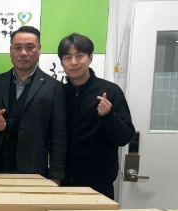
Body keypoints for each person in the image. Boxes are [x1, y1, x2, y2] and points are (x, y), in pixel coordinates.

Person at [0, 26, 66, 183]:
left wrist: (56, 176)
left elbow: (59, 137)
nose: (23, 53)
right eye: (17, 48)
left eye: (30, 47)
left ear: (39, 49)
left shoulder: (55, 88)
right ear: (10, 50)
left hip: (33, 172)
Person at [58, 33, 135, 199]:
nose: (74, 62)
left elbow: (125, 137)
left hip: (99, 187)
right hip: (62, 184)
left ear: (90, 58)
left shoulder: (111, 92)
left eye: (80, 56)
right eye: (68, 57)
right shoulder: (58, 93)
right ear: (62, 62)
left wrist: (109, 116)